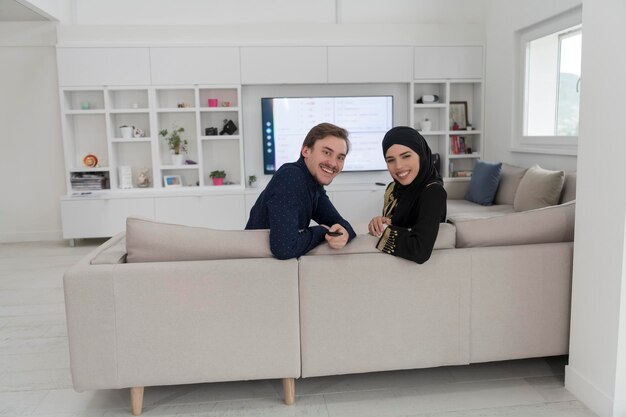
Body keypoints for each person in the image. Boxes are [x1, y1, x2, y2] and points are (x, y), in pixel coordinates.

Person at [246, 122, 356, 260]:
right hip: (258, 267)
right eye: (326, 152)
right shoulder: (291, 177)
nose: (333, 163)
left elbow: (337, 221)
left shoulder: (313, 183)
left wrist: (345, 231)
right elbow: (284, 248)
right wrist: (322, 230)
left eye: (340, 157)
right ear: (306, 151)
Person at [368, 126, 447, 264]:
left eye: (406, 156)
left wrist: (384, 232)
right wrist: (382, 223)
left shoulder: (433, 192)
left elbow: (420, 250)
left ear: (421, 155)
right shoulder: (393, 189)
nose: (398, 166)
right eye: (390, 160)